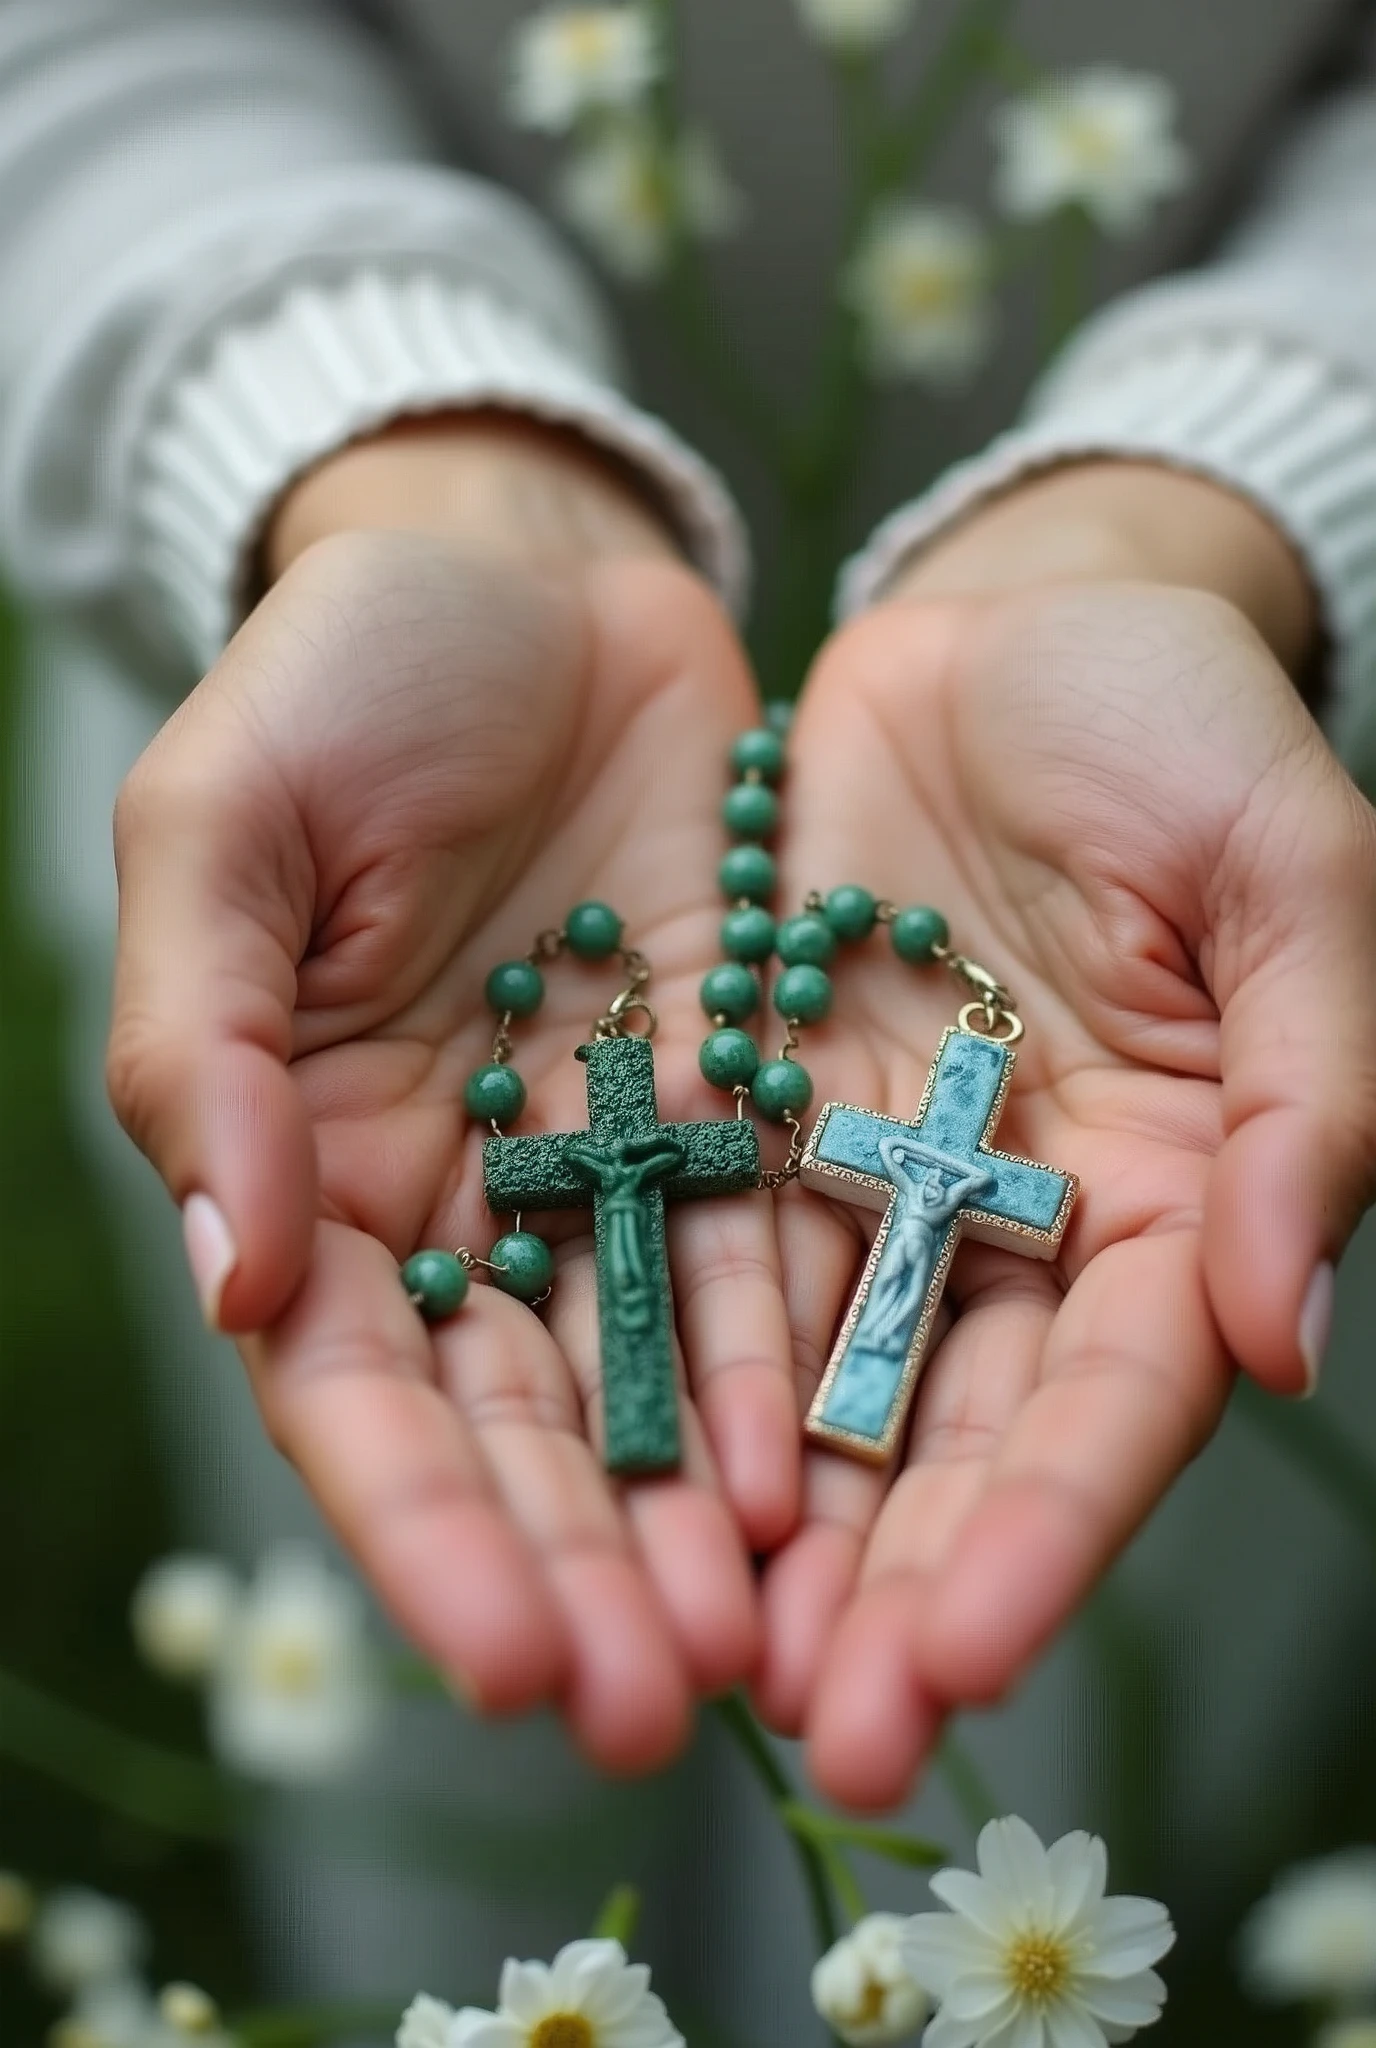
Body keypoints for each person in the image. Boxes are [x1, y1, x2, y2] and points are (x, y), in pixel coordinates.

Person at [7, 0, 1376, 1853]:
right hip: (387, 861)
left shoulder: (948, 1140)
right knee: (454, 1729)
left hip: (1195, 829)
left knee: (1081, 1692)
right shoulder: (619, 1104)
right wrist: (384, 459)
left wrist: (1219, 510)